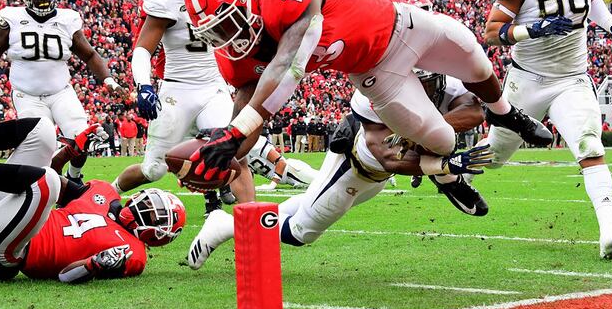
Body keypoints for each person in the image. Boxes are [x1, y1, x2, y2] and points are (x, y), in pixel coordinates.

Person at [182, 0, 550, 187]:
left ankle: (507, 115)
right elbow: (247, 111)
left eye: (229, 24)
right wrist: (227, 154)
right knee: (442, 140)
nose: (227, 38)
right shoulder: (234, 57)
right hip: (373, 72)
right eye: (216, 32)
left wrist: (233, 133)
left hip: (400, 26)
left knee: (472, 53)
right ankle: (443, 172)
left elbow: (290, 65)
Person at [187, 71, 490, 269]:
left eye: (427, 84)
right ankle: (224, 225)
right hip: (356, 166)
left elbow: (475, 110)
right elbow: (387, 156)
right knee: (300, 232)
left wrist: (429, 132)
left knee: (301, 207)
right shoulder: (377, 91)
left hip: (378, 178)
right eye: (415, 86)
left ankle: (446, 178)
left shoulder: (445, 82)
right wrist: (443, 164)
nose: (421, 93)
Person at [482, 0, 612, 259]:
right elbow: (492, 33)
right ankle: (446, 169)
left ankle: (609, 235)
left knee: (589, 145)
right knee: (494, 157)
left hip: (572, 79)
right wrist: (532, 30)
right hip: (527, 81)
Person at [0, 107, 184, 283]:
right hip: (2, 216)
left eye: (153, 214)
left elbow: (66, 275)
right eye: (149, 202)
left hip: (9, 249)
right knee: (42, 130)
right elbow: (54, 182)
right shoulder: (102, 195)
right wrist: (70, 151)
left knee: (46, 180)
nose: (144, 208)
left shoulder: (134, 253)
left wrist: (94, 267)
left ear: (158, 236)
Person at [109, 0, 242, 217]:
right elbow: (143, 50)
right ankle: (106, 194)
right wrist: (144, 85)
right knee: (153, 170)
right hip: (177, 91)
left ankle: (223, 205)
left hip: (214, 87)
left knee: (223, 145)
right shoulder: (164, 0)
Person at [0, 0, 126, 184]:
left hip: (60, 92)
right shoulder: (12, 18)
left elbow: (90, 55)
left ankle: (74, 178)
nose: (42, 0)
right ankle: (35, 184)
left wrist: (109, 81)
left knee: (82, 135)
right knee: (41, 141)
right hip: (27, 94)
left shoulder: (66, 19)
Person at [248, 134, 316, 191]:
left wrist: (272, 185)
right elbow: (247, 173)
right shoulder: (240, 154)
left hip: (293, 171)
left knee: (322, 182)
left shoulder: (254, 143)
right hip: (290, 178)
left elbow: (281, 162)